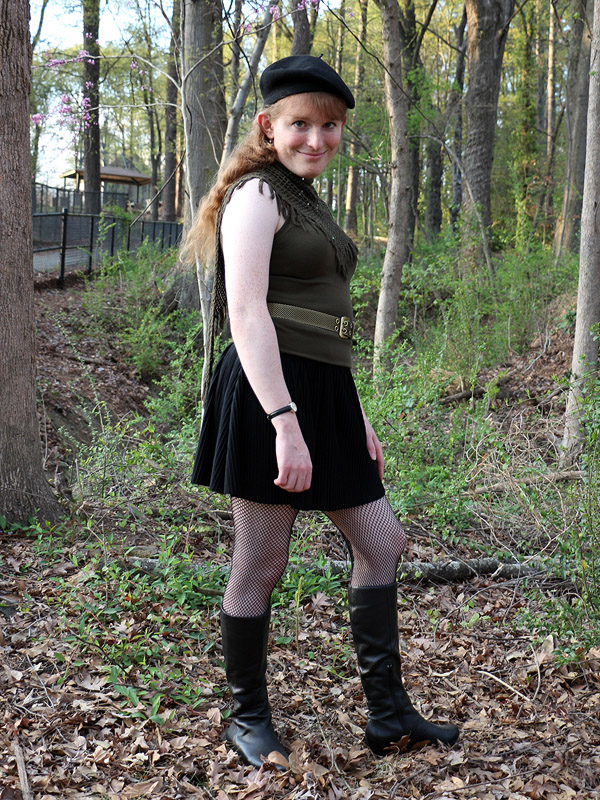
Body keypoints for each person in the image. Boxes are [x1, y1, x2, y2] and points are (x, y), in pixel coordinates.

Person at [183, 55, 459, 769]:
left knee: (383, 541)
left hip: (327, 391)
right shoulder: (256, 195)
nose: (316, 138)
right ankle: (247, 719)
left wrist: (352, 415)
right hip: (269, 391)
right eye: (301, 123)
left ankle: (388, 716)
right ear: (268, 126)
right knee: (262, 559)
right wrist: (284, 421)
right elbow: (248, 314)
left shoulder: (305, 197)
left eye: (330, 125)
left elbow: (328, 325)